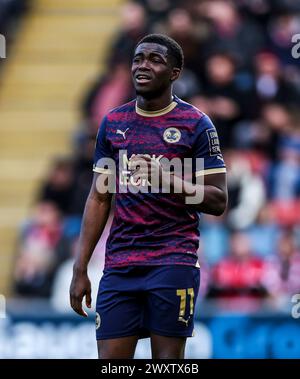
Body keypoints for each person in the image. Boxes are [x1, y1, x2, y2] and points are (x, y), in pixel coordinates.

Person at [69, 34, 227, 359]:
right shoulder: (113, 123)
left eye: (155, 60)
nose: (143, 65)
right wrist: (80, 268)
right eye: (138, 59)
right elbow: (100, 197)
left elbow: (217, 199)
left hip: (173, 260)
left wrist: (167, 180)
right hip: (119, 265)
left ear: (175, 72)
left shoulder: (195, 125)